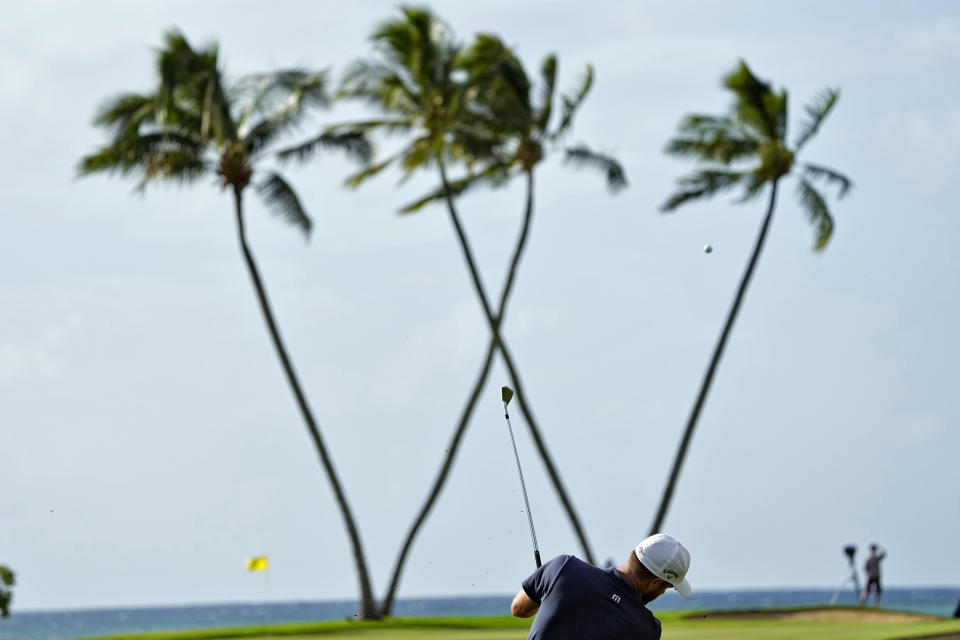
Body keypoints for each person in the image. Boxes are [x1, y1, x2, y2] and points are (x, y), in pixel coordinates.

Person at [511, 533, 691, 639]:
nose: (661, 593)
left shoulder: (563, 567)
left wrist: (545, 583)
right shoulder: (647, 629)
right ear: (655, 582)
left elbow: (519, 609)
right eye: (666, 588)